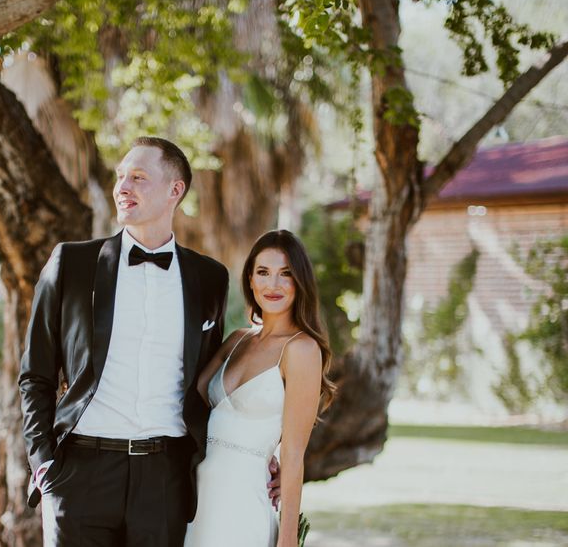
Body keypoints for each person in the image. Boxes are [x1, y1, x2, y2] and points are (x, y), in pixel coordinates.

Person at [18, 136, 278, 547]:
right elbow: (35, 374)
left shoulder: (209, 278)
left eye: (138, 177)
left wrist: (260, 453)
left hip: (166, 477)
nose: (122, 187)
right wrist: (43, 460)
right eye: (120, 177)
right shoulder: (72, 264)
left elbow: (211, 386)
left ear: (176, 190)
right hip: (80, 473)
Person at [183, 229, 336, 547]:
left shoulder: (302, 350)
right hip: (197, 498)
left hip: (245, 502)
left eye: (286, 274)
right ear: (250, 280)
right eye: (263, 272)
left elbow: (293, 454)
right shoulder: (237, 339)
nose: (273, 285)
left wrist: (289, 538)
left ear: (300, 282)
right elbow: (194, 398)